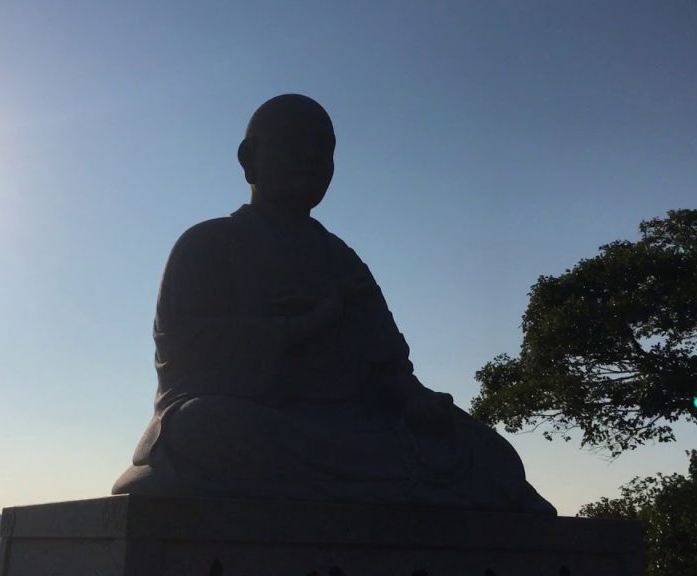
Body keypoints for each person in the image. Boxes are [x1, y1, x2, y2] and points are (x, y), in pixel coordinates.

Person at [112, 94, 555, 514]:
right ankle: (397, 489)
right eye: (294, 145)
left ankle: (387, 486)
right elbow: (185, 348)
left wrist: (413, 396)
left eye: (324, 150)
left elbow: (388, 361)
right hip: (253, 417)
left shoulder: (340, 257)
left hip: (350, 426)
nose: (311, 159)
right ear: (248, 159)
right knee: (203, 428)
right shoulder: (206, 244)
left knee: (484, 450)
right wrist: (299, 328)